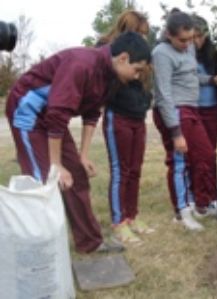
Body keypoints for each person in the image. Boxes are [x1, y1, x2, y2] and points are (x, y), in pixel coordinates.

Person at [6, 31, 151, 254]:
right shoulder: (82, 65)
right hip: (28, 112)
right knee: (43, 181)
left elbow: (92, 113)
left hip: (52, 117)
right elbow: (58, 114)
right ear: (123, 58)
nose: (136, 77)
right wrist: (56, 164)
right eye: (137, 70)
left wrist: (82, 156)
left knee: (76, 176)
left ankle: (90, 243)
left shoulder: (110, 77)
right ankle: (39, 250)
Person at [152, 11, 217, 230]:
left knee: (206, 154)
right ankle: (182, 212)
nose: (188, 44)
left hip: (192, 109)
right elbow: (163, 94)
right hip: (174, 110)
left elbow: (191, 77)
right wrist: (175, 132)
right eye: (182, 40)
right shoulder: (161, 53)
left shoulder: (189, 48)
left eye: (191, 38)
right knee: (179, 162)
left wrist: (213, 79)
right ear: (168, 34)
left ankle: (199, 202)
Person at [99, 10, 154, 246]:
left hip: (138, 117)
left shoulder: (142, 55)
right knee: (120, 170)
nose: (144, 40)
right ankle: (118, 223)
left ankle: (132, 216)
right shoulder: (107, 51)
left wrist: (145, 100)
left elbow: (146, 84)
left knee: (135, 169)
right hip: (117, 117)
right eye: (141, 34)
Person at [191, 14, 217, 215]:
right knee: (197, 154)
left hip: (213, 108)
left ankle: (212, 193)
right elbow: (188, 78)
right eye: (192, 36)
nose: (196, 41)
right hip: (193, 108)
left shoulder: (216, 54)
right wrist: (211, 80)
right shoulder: (184, 53)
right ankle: (199, 195)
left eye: (199, 36)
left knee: (209, 153)